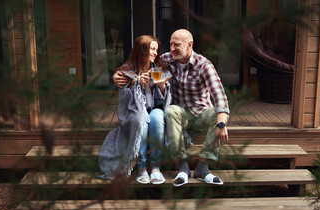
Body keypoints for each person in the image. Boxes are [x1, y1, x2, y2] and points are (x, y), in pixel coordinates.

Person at [113, 29, 230, 187]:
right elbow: (142, 60)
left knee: (216, 116)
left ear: (190, 45)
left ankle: (203, 166)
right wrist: (118, 75)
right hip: (180, 113)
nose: (172, 48)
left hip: (202, 112)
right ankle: (183, 166)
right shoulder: (167, 59)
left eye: (177, 45)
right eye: (170, 44)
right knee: (170, 111)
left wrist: (221, 124)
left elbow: (219, 95)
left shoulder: (204, 65)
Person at [98, 35, 171, 185]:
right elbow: (124, 102)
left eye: (156, 50)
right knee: (139, 119)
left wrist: (161, 86)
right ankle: (142, 167)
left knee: (157, 117)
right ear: (141, 50)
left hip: (154, 109)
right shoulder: (125, 72)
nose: (155, 53)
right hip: (135, 112)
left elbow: (164, 100)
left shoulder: (159, 69)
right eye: (151, 49)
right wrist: (137, 83)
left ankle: (156, 167)